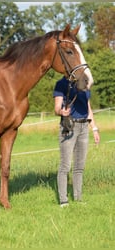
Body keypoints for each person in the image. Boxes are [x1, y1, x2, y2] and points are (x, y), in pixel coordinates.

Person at [53, 76, 100, 207]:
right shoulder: (61, 83)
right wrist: (61, 111)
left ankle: (78, 199)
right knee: (65, 166)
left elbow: (87, 106)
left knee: (79, 166)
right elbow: (57, 107)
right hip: (69, 126)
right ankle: (63, 200)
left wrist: (94, 128)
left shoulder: (84, 80)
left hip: (84, 126)